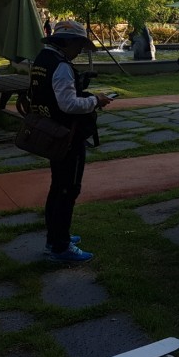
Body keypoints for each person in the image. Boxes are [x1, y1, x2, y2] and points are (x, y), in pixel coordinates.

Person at [31, 20, 113, 262]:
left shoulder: (42, 60)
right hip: (67, 136)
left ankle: (56, 236)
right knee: (68, 190)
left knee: (58, 187)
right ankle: (60, 247)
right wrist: (95, 100)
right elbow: (68, 104)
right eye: (78, 45)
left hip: (51, 132)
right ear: (67, 43)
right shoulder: (62, 66)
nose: (79, 51)